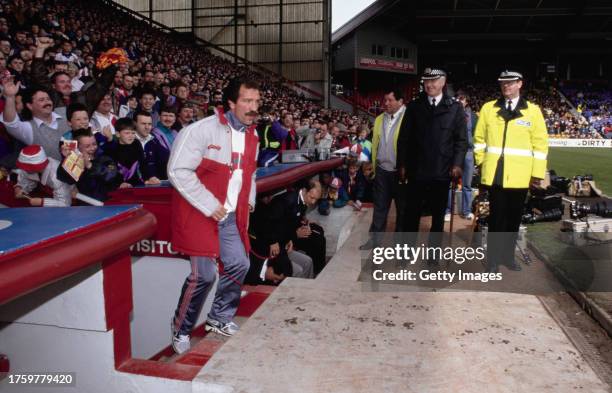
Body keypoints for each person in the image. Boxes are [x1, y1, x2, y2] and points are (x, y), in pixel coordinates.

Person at [168, 77, 260, 354]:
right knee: (204, 276)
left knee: (239, 264)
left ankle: (219, 318)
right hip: (200, 213)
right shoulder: (200, 131)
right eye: (247, 101)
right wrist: (209, 204)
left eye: (257, 101)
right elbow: (176, 171)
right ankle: (180, 327)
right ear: (230, 103)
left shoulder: (252, 135)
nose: (253, 107)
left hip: (230, 215)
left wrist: (250, 199)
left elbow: (250, 173)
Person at [473, 70, 548, 272]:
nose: (506, 86)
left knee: (514, 220)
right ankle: (493, 260)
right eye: (503, 83)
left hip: (521, 176)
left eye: (510, 82)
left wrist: (537, 174)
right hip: (495, 173)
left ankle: (508, 258)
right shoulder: (488, 109)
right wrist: (481, 163)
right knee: (496, 218)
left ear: (519, 84)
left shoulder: (533, 111)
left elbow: (540, 144)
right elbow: (479, 140)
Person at [396, 68, 467, 255]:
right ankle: (406, 253)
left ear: (443, 82)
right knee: (411, 215)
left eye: (434, 81)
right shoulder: (414, 106)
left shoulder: (455, 108)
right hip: (417, 171)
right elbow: (404, 138)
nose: (429, 85)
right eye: (426, 81)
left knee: (437, 219)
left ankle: (433, 256)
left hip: (442, 173)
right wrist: (402, 164)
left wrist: (458, 164)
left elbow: (461, 141)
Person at [360, 89, 406, 249]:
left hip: (402, 173)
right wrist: (371, 165)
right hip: (381, 171)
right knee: (379, 209)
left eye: (390, 100)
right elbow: (375, 144)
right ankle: (374, 241)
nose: (385, 103)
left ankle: (400, 247)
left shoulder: (409, 118)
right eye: (384, 100)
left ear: (400, 102)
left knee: (403, 212)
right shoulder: (379, 119)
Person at [445, 92, 478, 221]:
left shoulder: (474, 116)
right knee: (449, 183)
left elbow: (477, 134)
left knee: (467, 185)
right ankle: (447, 211)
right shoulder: (450, 114)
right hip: (453, 153)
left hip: (468, 153)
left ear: (467, 101)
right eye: (458, 98)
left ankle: (466, 211)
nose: (460, 101)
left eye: (462, 99)